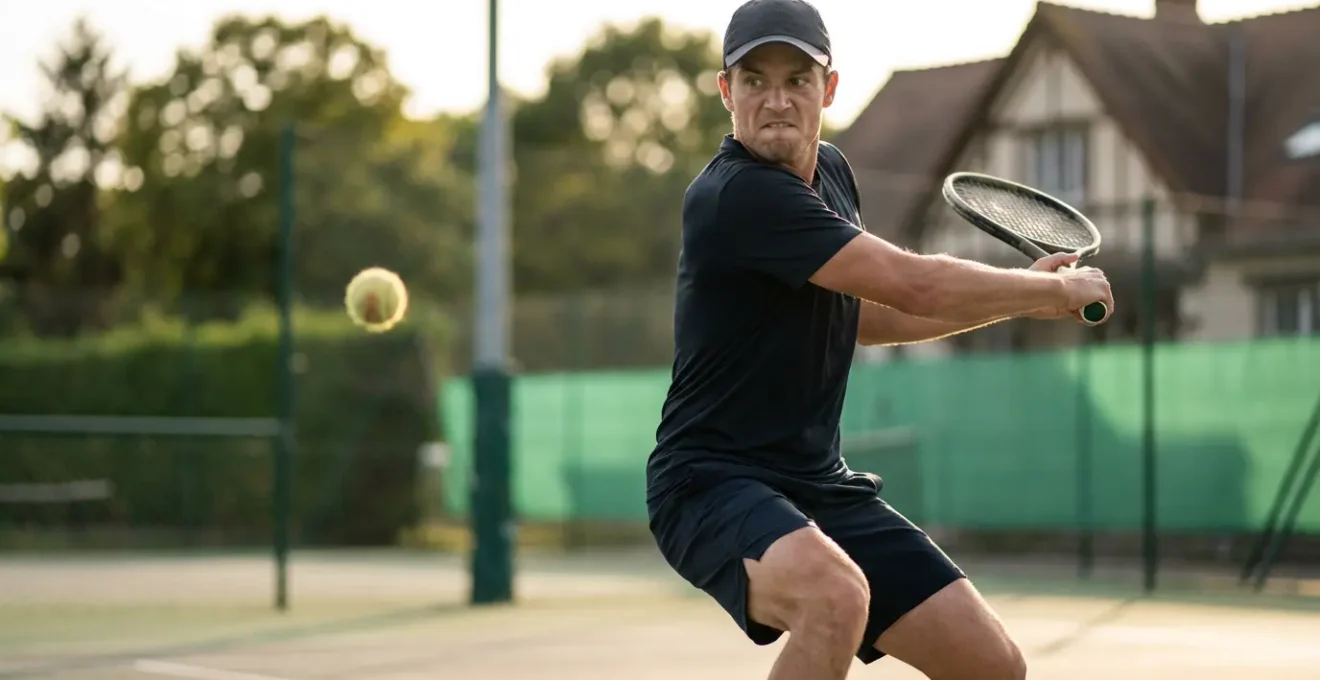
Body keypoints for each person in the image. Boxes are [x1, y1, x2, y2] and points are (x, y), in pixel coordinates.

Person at [644, 1, 1114, 678]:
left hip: (817, 483)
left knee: (993, 666)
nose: (776, 100)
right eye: (754, 81)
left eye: (797, 80)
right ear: (727, 92)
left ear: (828, 89)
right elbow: (912, 281)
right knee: (834, 598)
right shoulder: (738, 198)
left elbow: (870, 313)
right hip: (710, 482)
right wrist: (1048, 290)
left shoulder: (831, 173)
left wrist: (1022, 302)